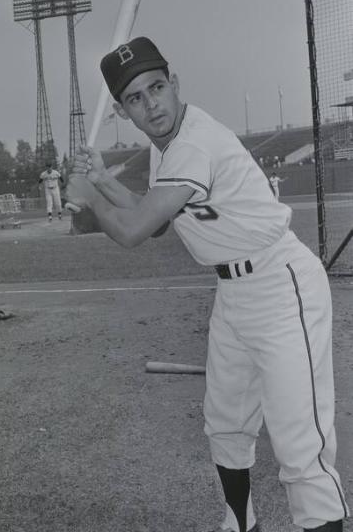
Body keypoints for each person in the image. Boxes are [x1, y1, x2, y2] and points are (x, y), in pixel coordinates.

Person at [66, 36, 348, 532]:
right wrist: (105, 185)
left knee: (300, 442)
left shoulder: (195, 139)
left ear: (174, 84)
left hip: (282, 286)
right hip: (235, 295)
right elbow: (154, 221)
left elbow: (132, 231)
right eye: (135, 98)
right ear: (122, 111)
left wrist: (91, 201)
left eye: (157, 87)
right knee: (226, 423)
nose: (151, 103)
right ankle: (240, 524)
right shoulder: (166, 148)